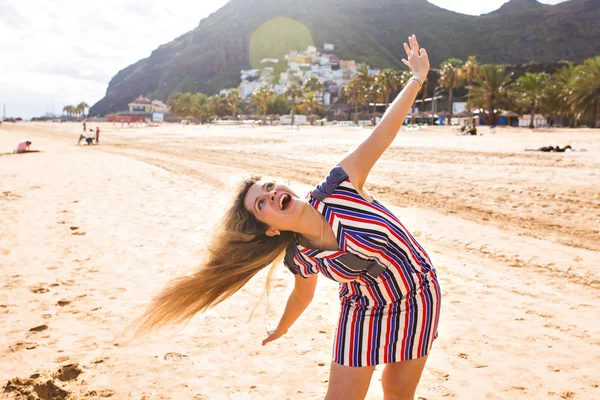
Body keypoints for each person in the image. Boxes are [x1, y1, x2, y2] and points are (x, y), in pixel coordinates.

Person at [132, 35, 440, 400]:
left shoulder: (340, 184)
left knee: (396, 391)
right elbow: (301, 297)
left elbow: (383, 132)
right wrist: (282, 327)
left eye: (267, 187)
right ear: (271, 228)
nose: (269, 194)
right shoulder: (301, 256)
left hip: (418, 293)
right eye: (260, 204)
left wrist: (417, 78)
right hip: (364, 309)